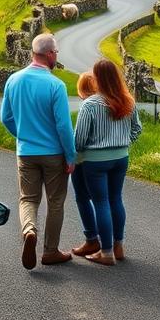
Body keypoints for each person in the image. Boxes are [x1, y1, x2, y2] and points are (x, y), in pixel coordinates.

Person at [0, 33, 75, 270]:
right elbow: (63, 126)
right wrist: (70, 156)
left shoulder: (13, 80)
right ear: (50, 54)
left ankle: (29, 230)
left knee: (28, 199)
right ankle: (50, 251)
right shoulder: (56, 85)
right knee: (55, 202)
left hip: (26, 153)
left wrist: (23, 136)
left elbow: (6, 118)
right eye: (57, 53)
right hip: (54, 154)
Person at [73, 59, 142, 266]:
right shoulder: (128, 100)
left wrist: (79, 153)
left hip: (95, 161)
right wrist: (122, 143)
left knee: (101, 202)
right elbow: (137, 129)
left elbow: (80, 139)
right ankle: (118, 246)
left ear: (98, 78)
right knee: (115, 199)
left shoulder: (91, 104)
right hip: (121, 158)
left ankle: (106, 252)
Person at [70, 71, 100, 258]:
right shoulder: (109, 102)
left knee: (82, 197)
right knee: (107, 199)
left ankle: (91, 239)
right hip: (111, 158)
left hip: (85, 160)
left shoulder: (87, 106)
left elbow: (79, 140)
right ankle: (113, 241)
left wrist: (71, 154)